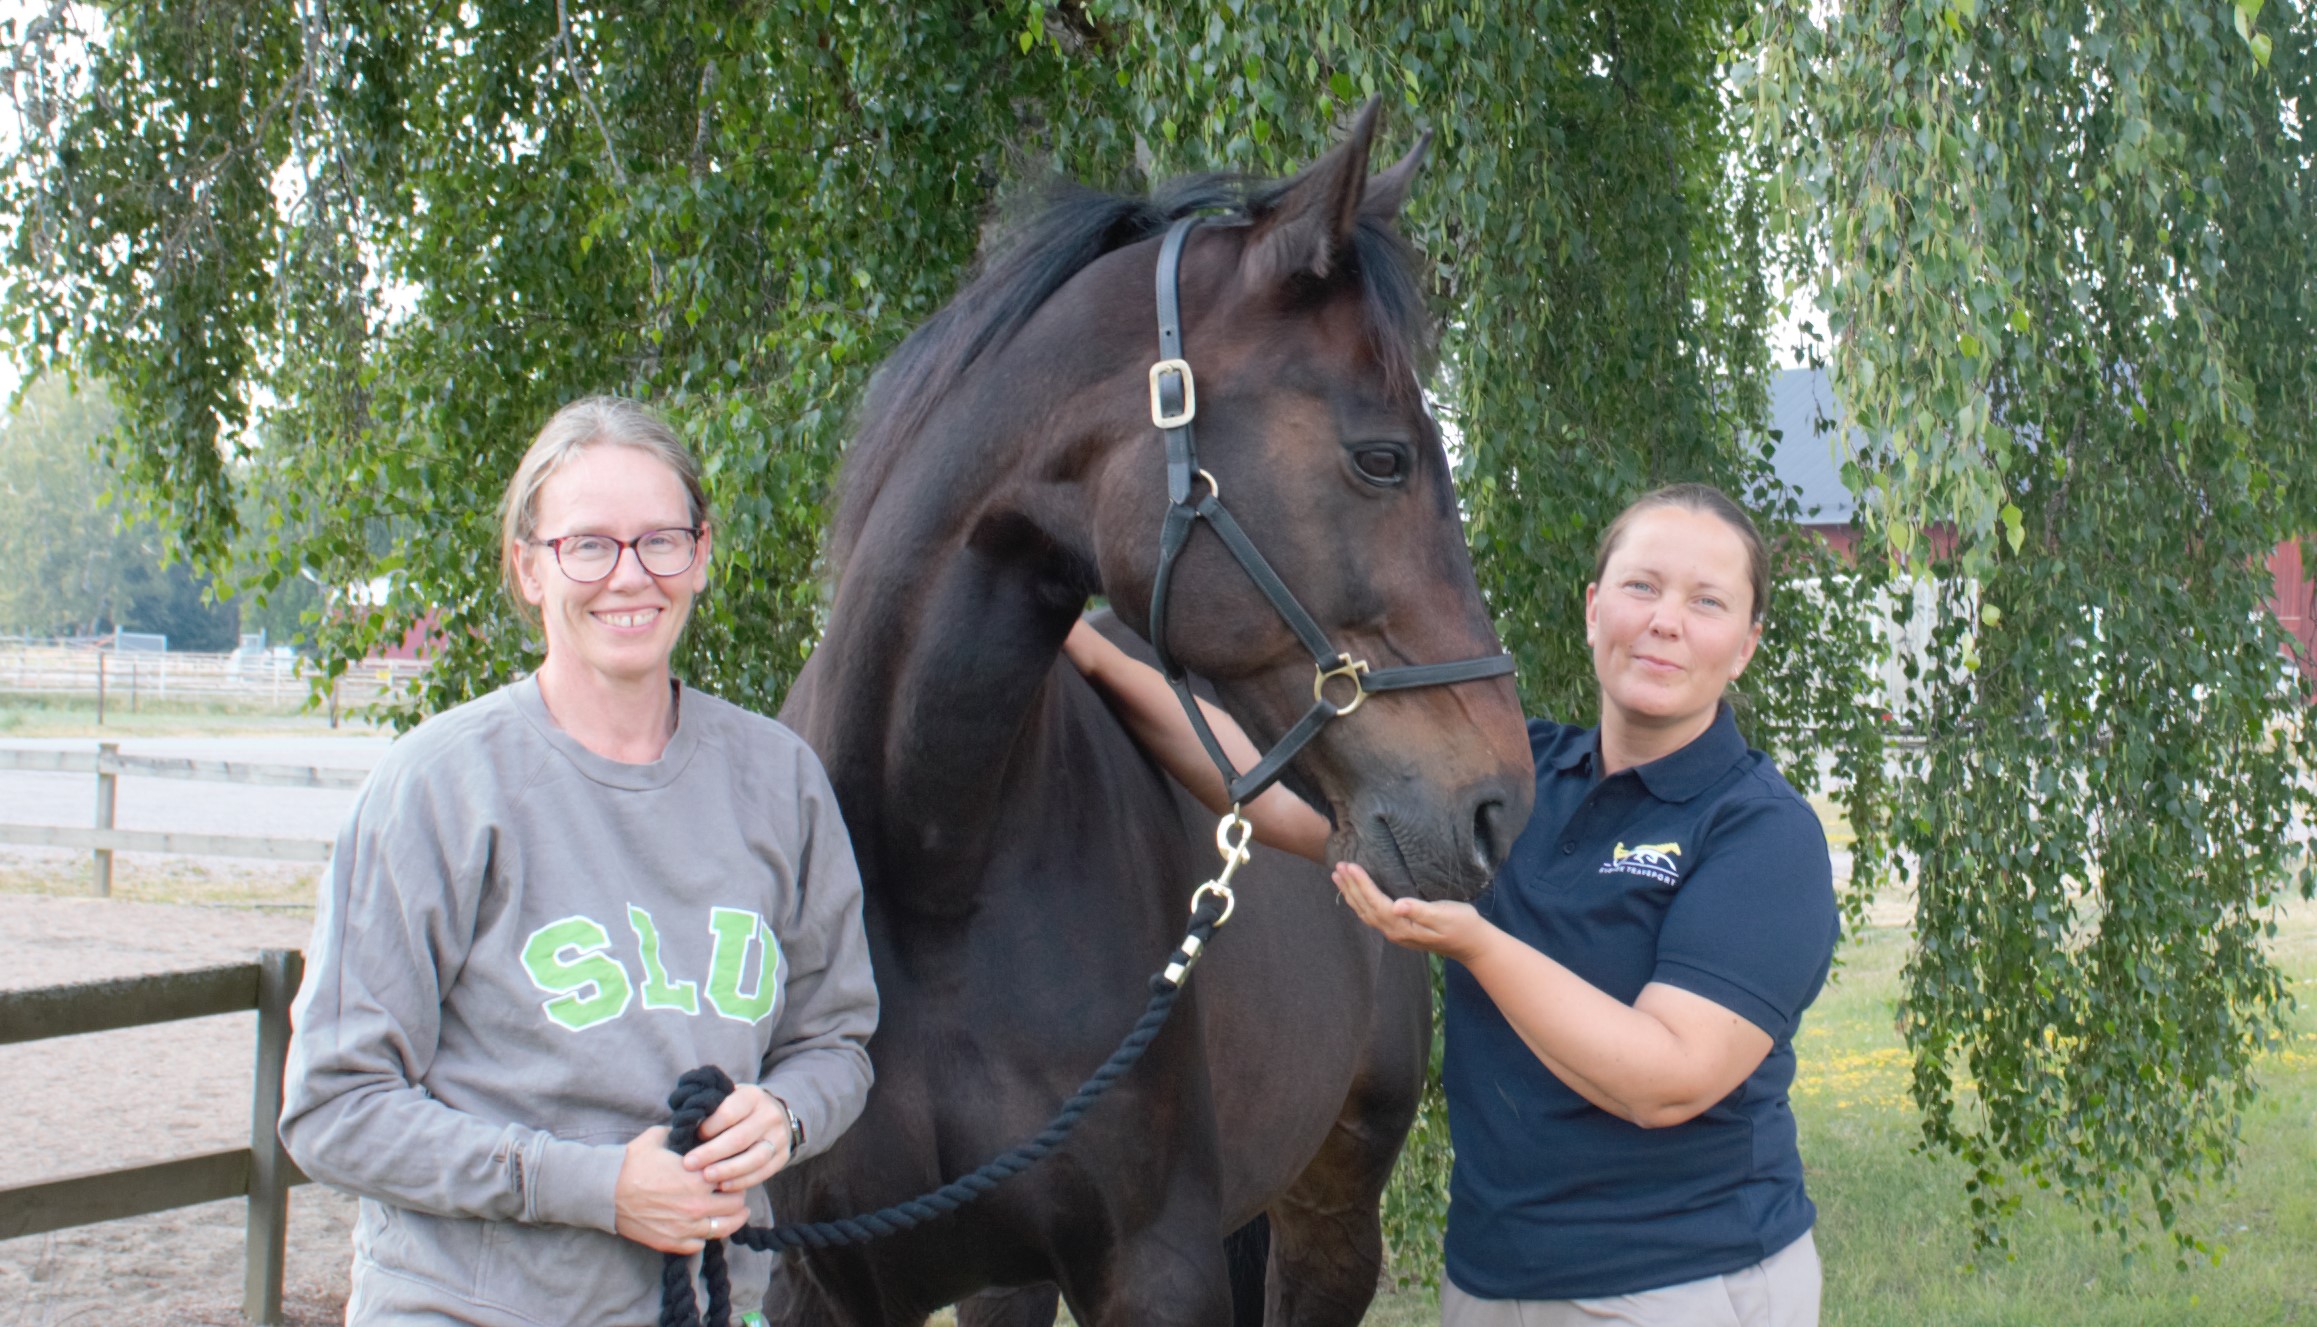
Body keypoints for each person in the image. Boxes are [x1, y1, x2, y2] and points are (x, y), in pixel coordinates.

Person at [1065, 483, 1836, 1327]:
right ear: (1593, 608)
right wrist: (1100, 658)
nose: (1664, 620)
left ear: (1746, 644)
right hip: (1489, 1282)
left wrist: (1478, 946)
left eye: (1707, 601)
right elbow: (1271, 793)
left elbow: (1667, 1077)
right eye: (1641, 585)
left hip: (1681, 1287)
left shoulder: (1760, 832)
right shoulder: (1521, 777)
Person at [281, 396, 878, 1326]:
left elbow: (834, 1043)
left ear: (702, 553)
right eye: (587, 544)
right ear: (528, 565)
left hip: (710, 1302)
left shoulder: (779, 780)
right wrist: (595, 1186)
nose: (629, 576)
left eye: (659, 541)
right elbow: (334, 1108)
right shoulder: (438, 788)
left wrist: (784, 1115)